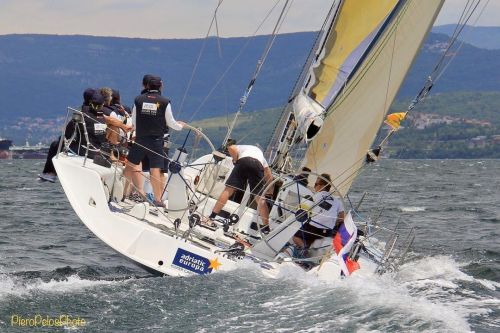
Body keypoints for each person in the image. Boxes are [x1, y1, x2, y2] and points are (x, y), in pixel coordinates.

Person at [124, 76, 185, 207]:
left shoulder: (138, 100)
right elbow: (171, 122)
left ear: (146, 86)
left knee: (130, 165)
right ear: (160, 86)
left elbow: (134, 120)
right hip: (156, 141)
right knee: (155, 170)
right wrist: (181, 126)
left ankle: (122, 194)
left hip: (140, 139)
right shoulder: (165, 101)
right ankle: (158, 200)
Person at [207, 142, 273, 228]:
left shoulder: (243, 147)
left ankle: (211, 217)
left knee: (228, 190)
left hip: (243, 161)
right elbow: (269, 175)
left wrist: (235, 159)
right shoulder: (262, 158)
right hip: (257, 165)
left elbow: (231, 148)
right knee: (259, 198)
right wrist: (270, 191)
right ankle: (266, 228)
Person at [39, 88, 95, 182]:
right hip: (95, 145)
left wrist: (63, 138)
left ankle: (50, 173)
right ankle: (49, 173)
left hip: (83, 146)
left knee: (55, 144)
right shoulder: (101, 112)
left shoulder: (82, 112)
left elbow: (69, 131)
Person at [293, 174, 344, 249]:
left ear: (322, 186)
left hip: (313, 227)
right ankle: (310, 248)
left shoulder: (315, 196)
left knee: (296, 238)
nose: (314, 186)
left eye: (316, 184)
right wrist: (332, 222)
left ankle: (305, 248)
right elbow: (342, 218)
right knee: (312, 238)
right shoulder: (337, 201)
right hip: (328, 230)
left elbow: (304, 211)